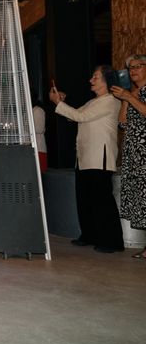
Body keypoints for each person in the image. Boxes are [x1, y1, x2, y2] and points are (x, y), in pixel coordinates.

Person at [50, 66, 124, 253]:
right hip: (85, 157)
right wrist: (62, 102)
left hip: (100, 157)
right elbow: (74, 117)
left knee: (102, 201)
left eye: (95, 77)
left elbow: (79, 116)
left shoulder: (109, 101)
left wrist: (58, 103)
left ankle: (111, 240)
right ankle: (90, 235)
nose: (91, 80)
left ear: (107, 81)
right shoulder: (95, 101)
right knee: (86, 199)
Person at [111, 54, 146, 259]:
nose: (133, 71)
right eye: (130, 68)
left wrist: (130, 98)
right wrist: (125, 99)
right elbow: (122, 124)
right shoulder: (133, 92)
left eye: (137, 67)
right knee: (141, 202)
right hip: (134, 156)